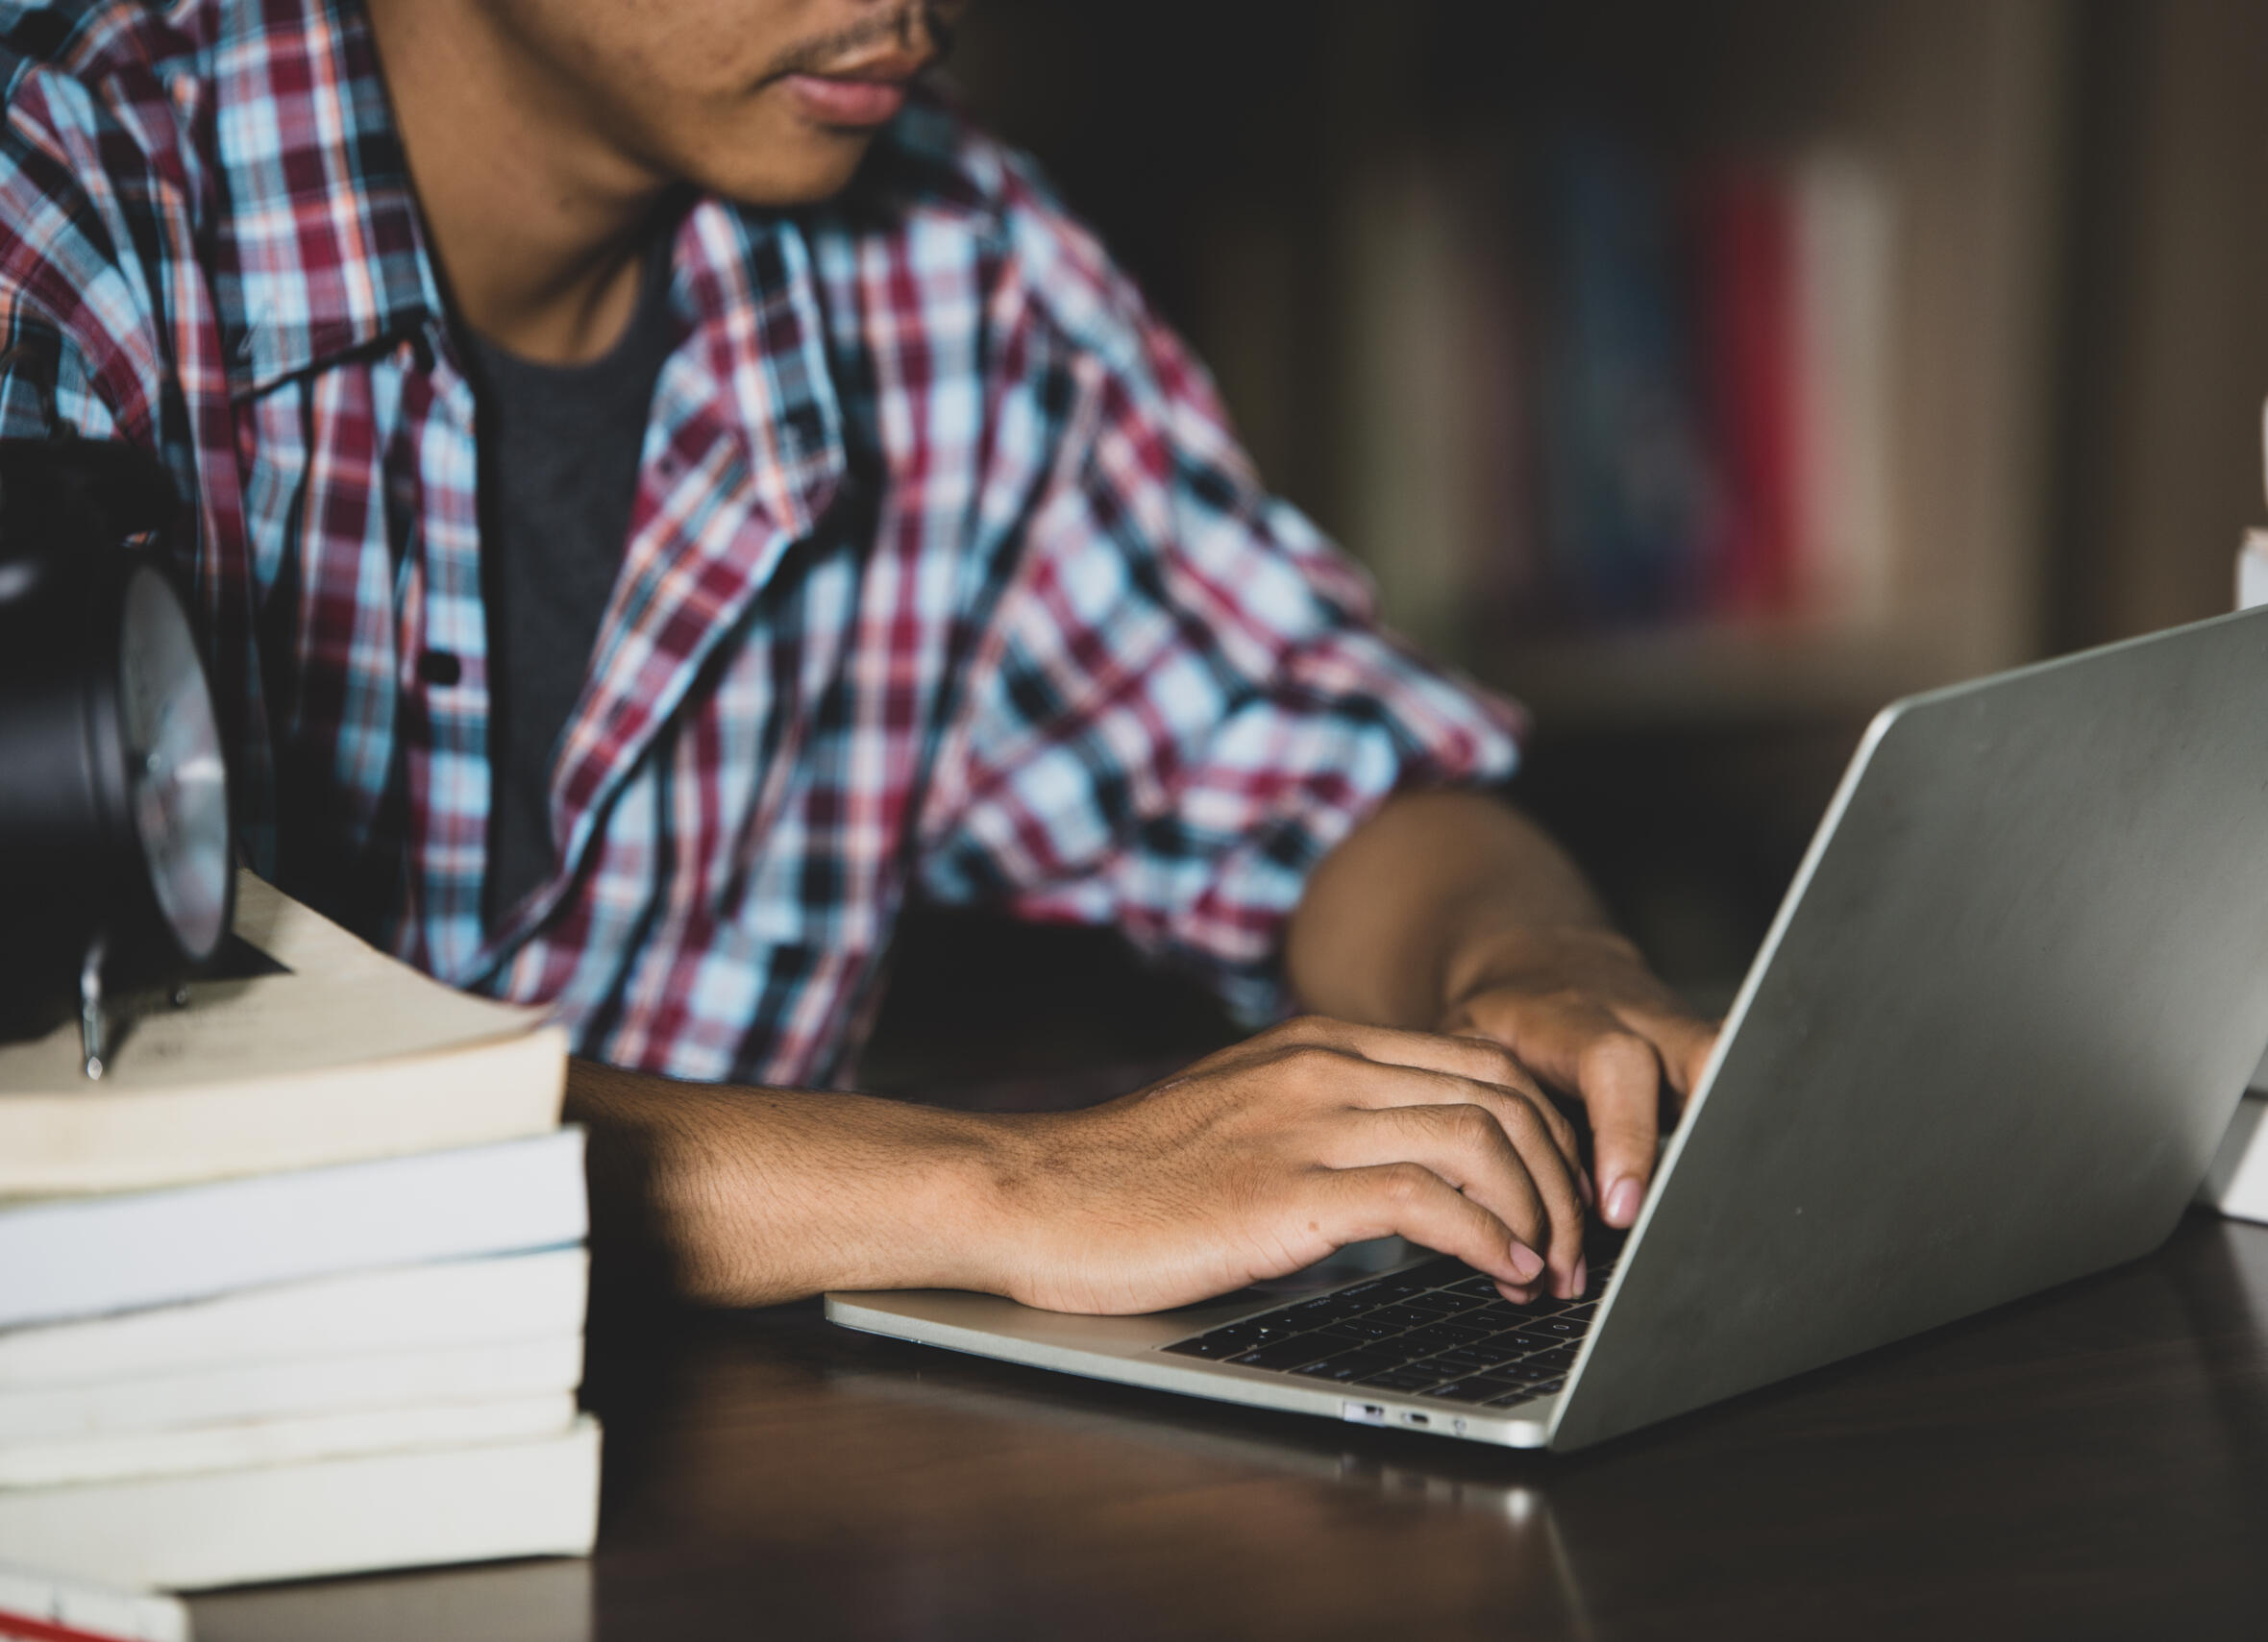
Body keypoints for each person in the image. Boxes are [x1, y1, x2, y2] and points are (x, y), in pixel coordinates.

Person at [0, 0, 1715, 1315]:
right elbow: (100, 1102)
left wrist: (1531, 958)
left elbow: (1319, 771)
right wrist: (1007, 1187)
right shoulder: (56, 196)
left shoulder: (945, 260)